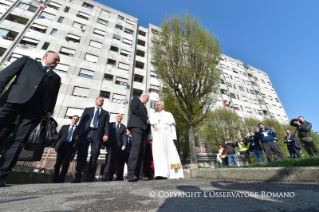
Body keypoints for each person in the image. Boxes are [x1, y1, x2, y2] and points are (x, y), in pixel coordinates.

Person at [0, 51, 61, 187]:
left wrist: (49, 111)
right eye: (56, 60)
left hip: (34, 111)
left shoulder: (55, 78)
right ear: (46, 56)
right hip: (12, 103)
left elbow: (53, 96)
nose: (57, 63)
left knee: (18, 140)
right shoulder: (27, 62)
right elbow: (5, 75)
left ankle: (1, 174)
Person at [71, 97, 110, 183]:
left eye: (103, 101)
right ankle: (78, 176)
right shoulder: (88, 110)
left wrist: (106, 134)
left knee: (95, 154)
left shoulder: (105, 113)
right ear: (95, 101)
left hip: (97, 134)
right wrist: (77, 132)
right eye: (100, 100)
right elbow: (81, 122)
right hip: (86, 132)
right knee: (82, 153)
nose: (101, 101)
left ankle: (90, 175)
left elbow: (107, 125)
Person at [149, 101, 183, 179]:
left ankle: (168, 173)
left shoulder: (168, 114)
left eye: (159, 105)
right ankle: (159, 173)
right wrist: (151, 137)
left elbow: (172, 126)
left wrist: (174, 137)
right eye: (157, 105)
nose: (157, 106)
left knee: (167, 153)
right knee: (157, 154)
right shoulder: (153, 115)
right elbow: (151, 128)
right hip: (156, 136)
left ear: (163, 106)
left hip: (166, 136)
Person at [127, 93, 150, 182]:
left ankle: (139, 173)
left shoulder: (144, 107)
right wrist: (145, 119)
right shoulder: (135, 99)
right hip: (136, 127)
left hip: (143, 130)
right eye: (147, 99)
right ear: (143, 96)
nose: (147, 101)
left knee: (142, 151)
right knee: (136, 148)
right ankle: (131, 173)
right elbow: (134, 109)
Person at [48, 115, 79, 183]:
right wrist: (52, 146)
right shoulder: (64, 127)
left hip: (70, 146)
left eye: (76, 119)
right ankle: (54, 178)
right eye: (74, 119)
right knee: (58, 163)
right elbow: (57, 137)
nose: (75, 120)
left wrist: (77, 149)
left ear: (78, 121)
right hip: (62, 145)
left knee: (66, 163)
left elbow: (79, 141)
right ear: (72, 119)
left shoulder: (78, 129)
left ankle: (61, 179)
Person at [102, 114, 127, 181]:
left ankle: (110, 176)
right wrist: (103, 144)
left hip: (118, 146)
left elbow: (124, 136)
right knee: (109, 157)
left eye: (121, 117)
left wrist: (124, 145)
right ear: (116, 117)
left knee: (114, 161)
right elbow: (106, 133)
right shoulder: (110, 125)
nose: (120, 118)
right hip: (110, 143)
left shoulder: (123, 127)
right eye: (119, 116)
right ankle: (105, 174)